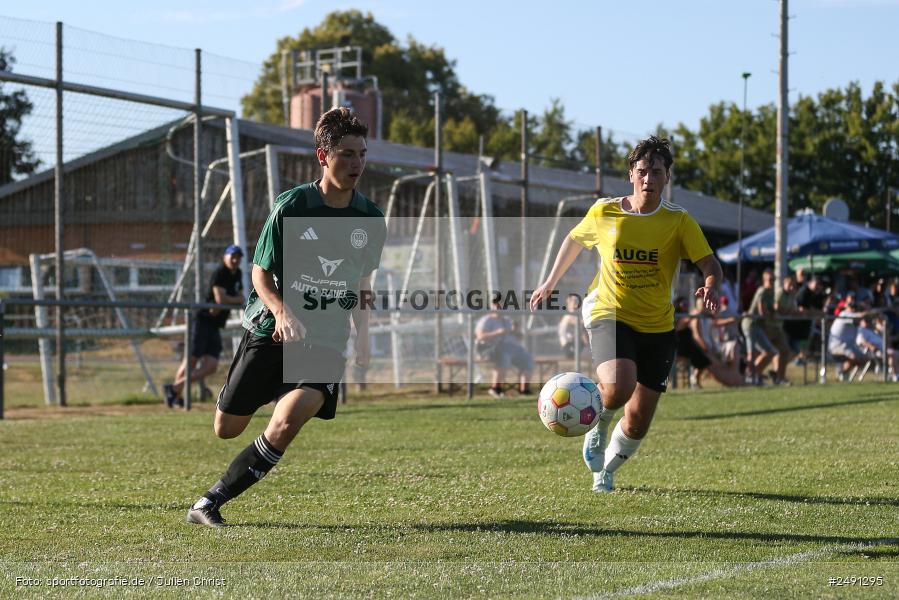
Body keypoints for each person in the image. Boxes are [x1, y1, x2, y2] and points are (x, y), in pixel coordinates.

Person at [185, 108, 386, 527]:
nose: (356, 163)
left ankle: (208, 503)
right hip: (273, 332)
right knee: (226, 428)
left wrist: (363, 334)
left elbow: (363, 283)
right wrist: (281, 312)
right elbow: (259, 272)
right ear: (323, 156)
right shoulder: (293, 205)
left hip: (326, 340)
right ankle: (262, 387)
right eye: (346, 154)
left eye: (362, 154)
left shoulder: (370, 217)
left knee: (287, 421)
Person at [530, 136, 723, 493]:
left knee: (637, 420)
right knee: (619, 386)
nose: (649, 177)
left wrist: (711, 284)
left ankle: (606, 471)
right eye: (643, 170)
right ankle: (599, 421)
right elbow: (574, 240)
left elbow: (709, 262)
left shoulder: (678, 221)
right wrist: (549, 282)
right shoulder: (605, 211)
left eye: (657, 172)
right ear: (631, 175)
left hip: (658, 325)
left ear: (667, 178)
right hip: (609, 311)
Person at [164, 245, 245, 408]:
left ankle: (173, 388)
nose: (235, 260)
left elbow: (241, 297)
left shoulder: (238, 274)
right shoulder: (220, 273)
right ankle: (176, 396)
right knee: (191, 362)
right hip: (203, 322)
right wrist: (234, 299)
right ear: (225, 257)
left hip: (215, 325)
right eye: (232, 256)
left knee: (211, 366)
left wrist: (234, 299)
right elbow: (220, 299)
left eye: (238, 257)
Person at [475, 299, 534, 398]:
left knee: (527, 358)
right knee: (504, 357)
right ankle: (496, 389)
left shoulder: (507, 320)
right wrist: (497, 332)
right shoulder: (486, 320)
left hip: (512, 348)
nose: (499, 308)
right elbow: (480, 336)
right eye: (497, 306)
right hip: (490, 349)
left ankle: (524, 390)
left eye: (502, 306)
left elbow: (520, 338)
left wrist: (516, 331)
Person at [741, 268, 779, 385]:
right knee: (752, 354)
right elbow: (762, 311)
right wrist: (771, 315)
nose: (772, 282)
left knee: (770, 352)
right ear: (764, 280)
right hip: (750, 324)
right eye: (770, 279)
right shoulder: (762, 291)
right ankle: (749, 375)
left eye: (774, 279)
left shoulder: (771, 292)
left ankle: (753, 374)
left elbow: (771, 310)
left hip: (757, 325)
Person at [767, 274, 797, 384]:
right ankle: (753, 375)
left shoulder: (792, 295)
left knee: (785, 351)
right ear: (784, 284)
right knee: (766, 352)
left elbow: (792, 310)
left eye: (793, 285)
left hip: (778, 327)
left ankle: (779, 377)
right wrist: (785, 312)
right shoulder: (779, 292)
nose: (791, 287)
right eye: (789, 285)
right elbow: (776, 308)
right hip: (770, 326)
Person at [558, 293, 589, 361]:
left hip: (573, 343)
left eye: (576, 302)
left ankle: (589, 350)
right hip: (568, 346)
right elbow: (580, 323)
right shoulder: (568, 316)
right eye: (573, 302)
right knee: (582, 330)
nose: (576, 304)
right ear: (569, 305)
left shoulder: (574, 316)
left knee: (583, 334)